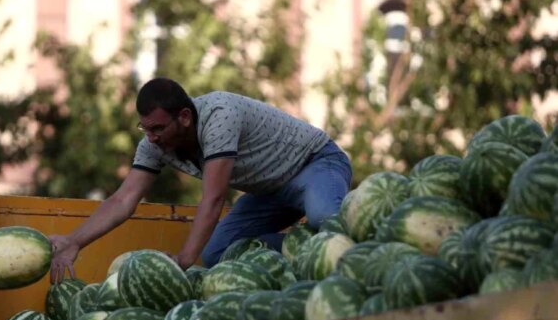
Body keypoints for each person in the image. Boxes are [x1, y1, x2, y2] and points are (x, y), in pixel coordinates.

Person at [49, 77, 352, 283]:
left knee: (326, 218)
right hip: (270, 192)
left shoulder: (219, 115)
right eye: (145, 130)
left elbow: (213, 198)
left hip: (315, 163)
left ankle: (361, 254)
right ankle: (302, 252)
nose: (151, 138)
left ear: (184, 116)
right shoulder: (155, 143)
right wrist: (74, 241)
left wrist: (182, 260)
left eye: (157, 128)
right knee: (216, 254)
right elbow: (123, 199)